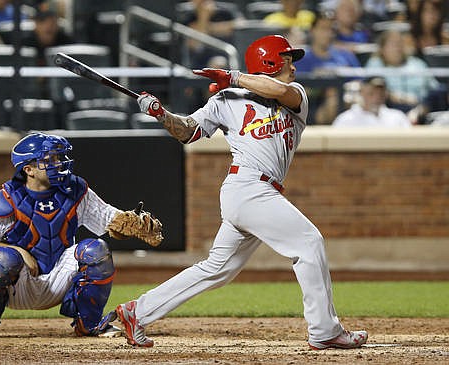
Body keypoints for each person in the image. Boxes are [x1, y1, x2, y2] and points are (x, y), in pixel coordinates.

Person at [114, 34, 368, 350]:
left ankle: (137, 312)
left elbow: (279, 91)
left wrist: (234, 77)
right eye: (287, 59)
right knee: (308, 243)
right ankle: (325, 330)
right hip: (248, 187)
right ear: (271, 62)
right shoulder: (225, 100)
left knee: (217, 269)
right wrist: (161, 114)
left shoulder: (295, 94)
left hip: (259, 192)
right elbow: (188, 131)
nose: (293, 66)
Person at [0, 132, 163, 338]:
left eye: (59, 158)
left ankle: (89, 323)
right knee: (5, 258)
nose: (59, 164)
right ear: (29, 169)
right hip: (19, 282)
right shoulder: (4, 199)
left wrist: (131, 225)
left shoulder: (75, 190)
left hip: (60, 277)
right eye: (50, 160)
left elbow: (110, 223)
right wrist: (17, 250)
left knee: (96, 250)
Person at [295, 10, 361, 125]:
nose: (327, 33)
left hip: (349, 102)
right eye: (323, 29)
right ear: (312, 31)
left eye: (331, 29)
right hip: (313, 107)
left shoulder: (345, 56)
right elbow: (296, 91)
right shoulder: (301, 58)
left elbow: (360, 81)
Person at [365, 29, 443, 123]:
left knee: (441, 91)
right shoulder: (375, 64)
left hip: (420, 107)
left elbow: (434, 87)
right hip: (390, 107)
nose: (397, 48)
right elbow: (371, 89)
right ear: (382, 49)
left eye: (400, 44)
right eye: (393, 45)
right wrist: (399, 97)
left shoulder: (417, 63)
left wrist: (421, 106)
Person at [180, 0, 243, 69]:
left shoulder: (226, 10)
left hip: (229, 56)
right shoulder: (187, 15)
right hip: (200, 61)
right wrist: (203, 18)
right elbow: (194, 45)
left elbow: (242, 25)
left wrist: (210, 28)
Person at [332, 76, 411, 127]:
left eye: (381, 94)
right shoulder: (346, 119)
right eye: (371, 93)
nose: (377, 97)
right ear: (362, 92)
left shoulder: (397, 117)